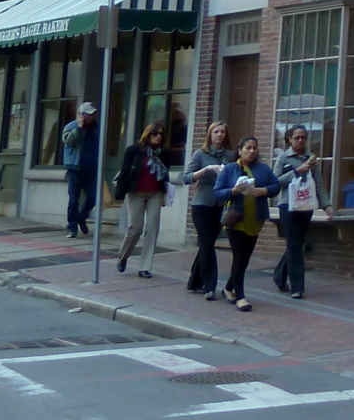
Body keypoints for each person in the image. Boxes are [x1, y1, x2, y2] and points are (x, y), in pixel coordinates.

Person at [213, 136, 279, 312]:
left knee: (244, 259)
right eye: (248, 148)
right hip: (235, 220)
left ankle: (228, 288)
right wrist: (233, 191)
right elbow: (218, 193)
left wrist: (262, 190)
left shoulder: (263, 169)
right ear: (240, 150)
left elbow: (276, 186)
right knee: (239, 256)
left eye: (254, 148)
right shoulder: (230, 169)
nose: (252, 151)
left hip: (255, 220)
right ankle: (240, 296)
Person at [182, 122, 236, 300]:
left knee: (207, 244)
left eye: (222, 132)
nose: (219, 135)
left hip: (220, 206)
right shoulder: (200, 154)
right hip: (202, 205)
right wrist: (205, 170)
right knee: (206, 243)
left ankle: (194, 281)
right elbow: (187, 177)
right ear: (210, 135)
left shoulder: (230, 155)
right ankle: (209, 285)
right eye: (216, 132)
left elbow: (235, 177)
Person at [271, 125, 325, 299]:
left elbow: (319, 183)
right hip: (287, 206)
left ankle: (279, 275)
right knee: (294, 245)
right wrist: (296, 172)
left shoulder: (311, 159)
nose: (300, 140)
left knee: (296, 243)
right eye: (297, 137)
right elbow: (275, 182)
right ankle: (297, 287)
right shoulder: (283, 158)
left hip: (306, 205)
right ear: (289, 139)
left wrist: (327, 205)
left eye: (303, 137)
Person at [112, 119, 171, 277]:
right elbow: (125, 171)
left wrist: (165, 194)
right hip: (136, 192)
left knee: (152, 228)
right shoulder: (134, 150)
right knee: (135, 228)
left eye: (161, 135)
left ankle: (145, 267)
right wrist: (119, 194)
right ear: (148, 134)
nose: (158, 137)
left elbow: (165, 176)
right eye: (155, 133)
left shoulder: (164, 153)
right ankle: (123, 256)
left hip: (155, 194)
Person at [58, 102, 99, 239]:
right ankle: (72, 227)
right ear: (81, 115)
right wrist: (79, 128)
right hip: (74, 168)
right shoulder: (71, 127)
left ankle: (81, 217)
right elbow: (69, 142)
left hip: (91, 168)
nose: (92, 117)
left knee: (93, 197)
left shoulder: (96, 128)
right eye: (89, 114)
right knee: (73, 199)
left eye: (93, 114)